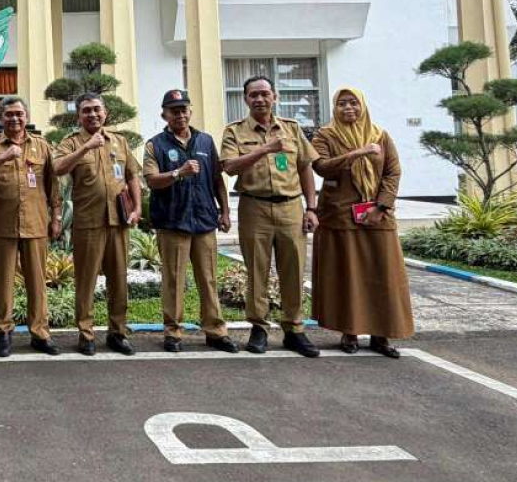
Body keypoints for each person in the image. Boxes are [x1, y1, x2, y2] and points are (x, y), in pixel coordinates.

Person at [220, 75, 321, 358]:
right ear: (245, 99)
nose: (260, 99)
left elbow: (305, 169)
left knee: (293, 269)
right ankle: (259, 328)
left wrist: (311, 207)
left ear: (274, 97)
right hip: (255, 207)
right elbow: (229, 167)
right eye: (254, 95)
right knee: (257, 269)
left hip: (291, 207)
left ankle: (294, 329)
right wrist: (264, 149)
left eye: (265, 93)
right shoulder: (235, 132)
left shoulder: (291, 129)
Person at [311, 87, 414, 358]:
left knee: (383, 276)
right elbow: (321, 166)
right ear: (335, 108)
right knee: (348, 277)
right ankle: (350, 332)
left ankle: (382, 335)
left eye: (353, 103)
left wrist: (381, 206)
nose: (348, 108)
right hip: (341, 216)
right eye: (342, 104)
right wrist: (356, 154)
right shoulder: (326, 135)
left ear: (363, 106)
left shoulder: (380, 136)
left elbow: (393, 172)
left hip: (377, 217)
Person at [142, 89, 237, 354]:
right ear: (164, 115)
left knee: (208, 279)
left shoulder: (205, 142)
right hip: (173, 222)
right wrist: (178, 172)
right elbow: (151, 180)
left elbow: (218, 179)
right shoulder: (155, 145)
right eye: (174, 111)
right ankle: (173, 332)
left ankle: (216, 331)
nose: (180, 115)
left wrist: (225, 211)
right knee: (173, 280)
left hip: (204, 221)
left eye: (184, 109)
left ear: (190, 111)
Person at [53, 93, 142, 356]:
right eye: (87, 111)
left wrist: (137, 208)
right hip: (88, 223)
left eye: (97, 110)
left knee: (119, 280)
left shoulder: (120, 141)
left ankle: (118, 332)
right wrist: (86, 147)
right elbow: (57, 167)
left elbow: (132, 175)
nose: (93, 115)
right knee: (86, 280)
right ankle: (86, 334)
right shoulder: (71, 142)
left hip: (118, 222)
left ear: (106, 113)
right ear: (79, 116)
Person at [0, 95, 61, 357]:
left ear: (27, 117)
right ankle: (3, 332)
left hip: (35, 224)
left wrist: (56, 217)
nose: (15, 118)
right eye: (9, 114)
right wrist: (4, 157)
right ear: (0, 118)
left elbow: (53, 185)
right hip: (3, 226)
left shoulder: (42, 146)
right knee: (3, 283)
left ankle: (40, 333)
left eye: (19, 114)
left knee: (37, 282)